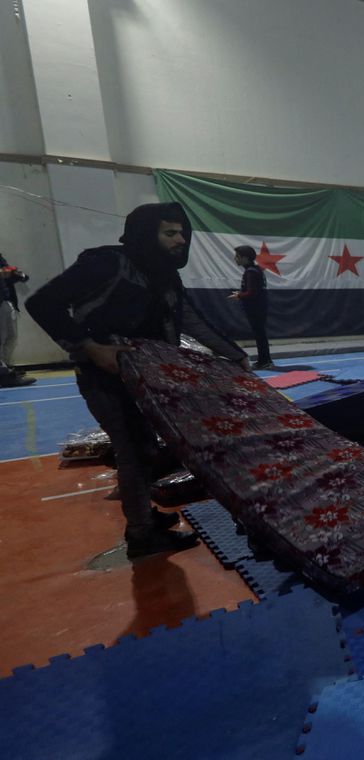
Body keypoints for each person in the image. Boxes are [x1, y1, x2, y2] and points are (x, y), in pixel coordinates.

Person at [26, 202, 251, 558]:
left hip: (144, 381)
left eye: (182, 233)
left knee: (146, 449)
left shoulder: (165, 276)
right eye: (170, 233)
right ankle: (141, 536)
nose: (180, 240)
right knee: (132, 450)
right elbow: (42, 303)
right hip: (105, 379)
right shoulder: (107, 263)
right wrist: (89, 346)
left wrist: (234, 355)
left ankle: (144, 515)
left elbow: (192, 320)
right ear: (146, 234)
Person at [228, 245, 273, 369]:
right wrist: (241, 293)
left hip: (256, 308)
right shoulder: (255, 270)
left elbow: (251, 293)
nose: (235, 259)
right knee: (260, 334)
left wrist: (239, 295)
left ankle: (265, 361)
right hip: (259, 307)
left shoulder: (251, 272)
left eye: (238, 256)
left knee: (260, 334)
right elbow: (252, 290)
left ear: (245, 258)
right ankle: (264, 360)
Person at [0, 252, 35, 387]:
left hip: (5, 300)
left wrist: (15, 274)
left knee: (11, 337)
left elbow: (7, 272)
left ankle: (5, 368)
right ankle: (3, 373)